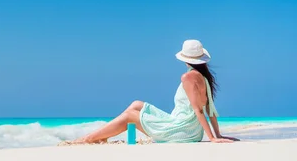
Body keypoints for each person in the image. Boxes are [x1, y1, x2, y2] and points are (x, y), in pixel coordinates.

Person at [63, 40, 238, 144]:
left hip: (182, 130)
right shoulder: (205, 78)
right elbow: (210, 110)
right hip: (189, 128)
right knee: (137, 104)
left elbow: (199, 110)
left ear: (185, 59)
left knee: (129, 115)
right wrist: (217, 134)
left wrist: (213, 138)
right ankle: (100, 136)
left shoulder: (188, 78)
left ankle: (88, 138)